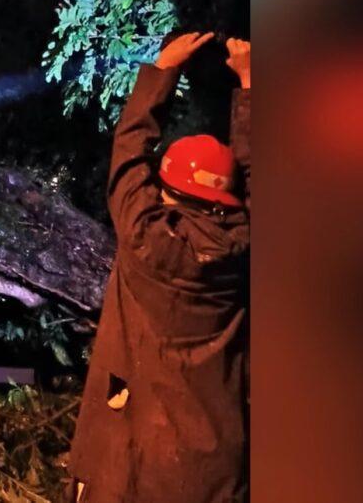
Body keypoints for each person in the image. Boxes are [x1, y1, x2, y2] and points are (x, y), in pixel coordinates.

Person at [68, 32, 251, 502]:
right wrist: (251, 83)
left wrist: (162, 70)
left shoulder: (148, 240)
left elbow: (129, 156)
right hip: (215, 467)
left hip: (136, 463)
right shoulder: (246, 247)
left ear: (167, 190)